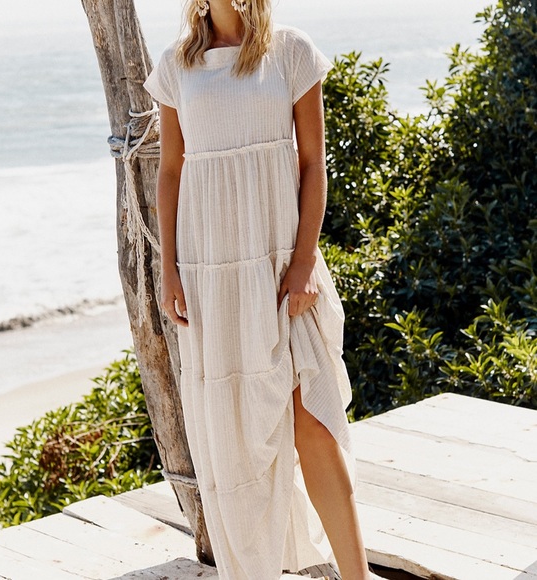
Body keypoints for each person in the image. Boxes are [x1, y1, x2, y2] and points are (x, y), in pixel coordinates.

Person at [144, 1, 378, 578]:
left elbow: (313, 164)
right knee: (235, 435)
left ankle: (357, 575)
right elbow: (170, 171)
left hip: (279, 267)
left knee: (312, 421)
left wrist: (304, 262)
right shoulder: (175, 65)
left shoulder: (290, 51)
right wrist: (168, 269)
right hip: (211, 274)